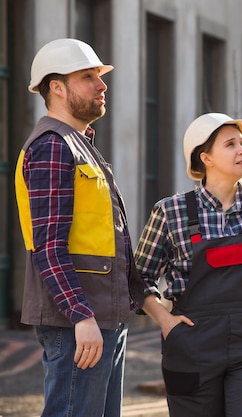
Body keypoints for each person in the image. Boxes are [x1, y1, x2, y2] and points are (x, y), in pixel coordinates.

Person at [134, 112, 242, 417]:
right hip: (191, 348)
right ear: (206, 157)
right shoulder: (170, 213)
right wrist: (167, 323)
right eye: (230, 144)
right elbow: (138, 278)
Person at [14, 38, 144, 417]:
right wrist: (80, 315)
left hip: (103, 315)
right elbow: (48, 246)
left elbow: (110, 238)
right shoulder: (53, 146)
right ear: (56, 87)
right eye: (88, 77)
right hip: (79, 320)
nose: (102, 85)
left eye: (100, 77)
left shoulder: (80, 144)